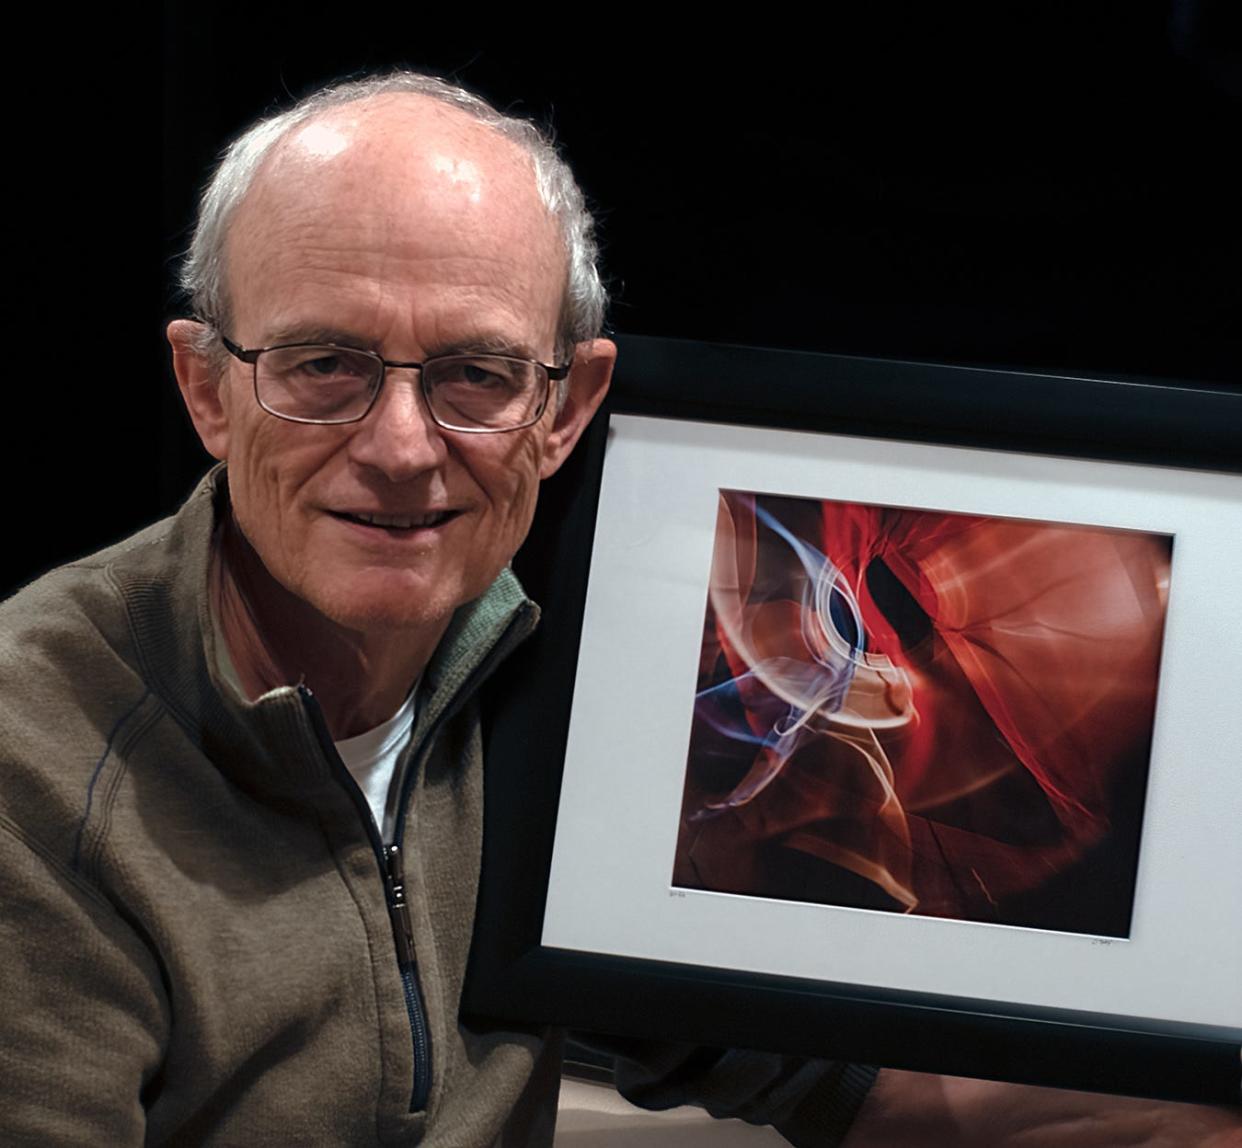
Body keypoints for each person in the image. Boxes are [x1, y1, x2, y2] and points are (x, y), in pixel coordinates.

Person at [1, 71, 1236, 1147]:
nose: (399, 446)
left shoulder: (559, 687)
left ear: (566, 410)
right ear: (207, 389)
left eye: (475, 375)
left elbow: (841, 1086)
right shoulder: (38, 758)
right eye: (324, 365)